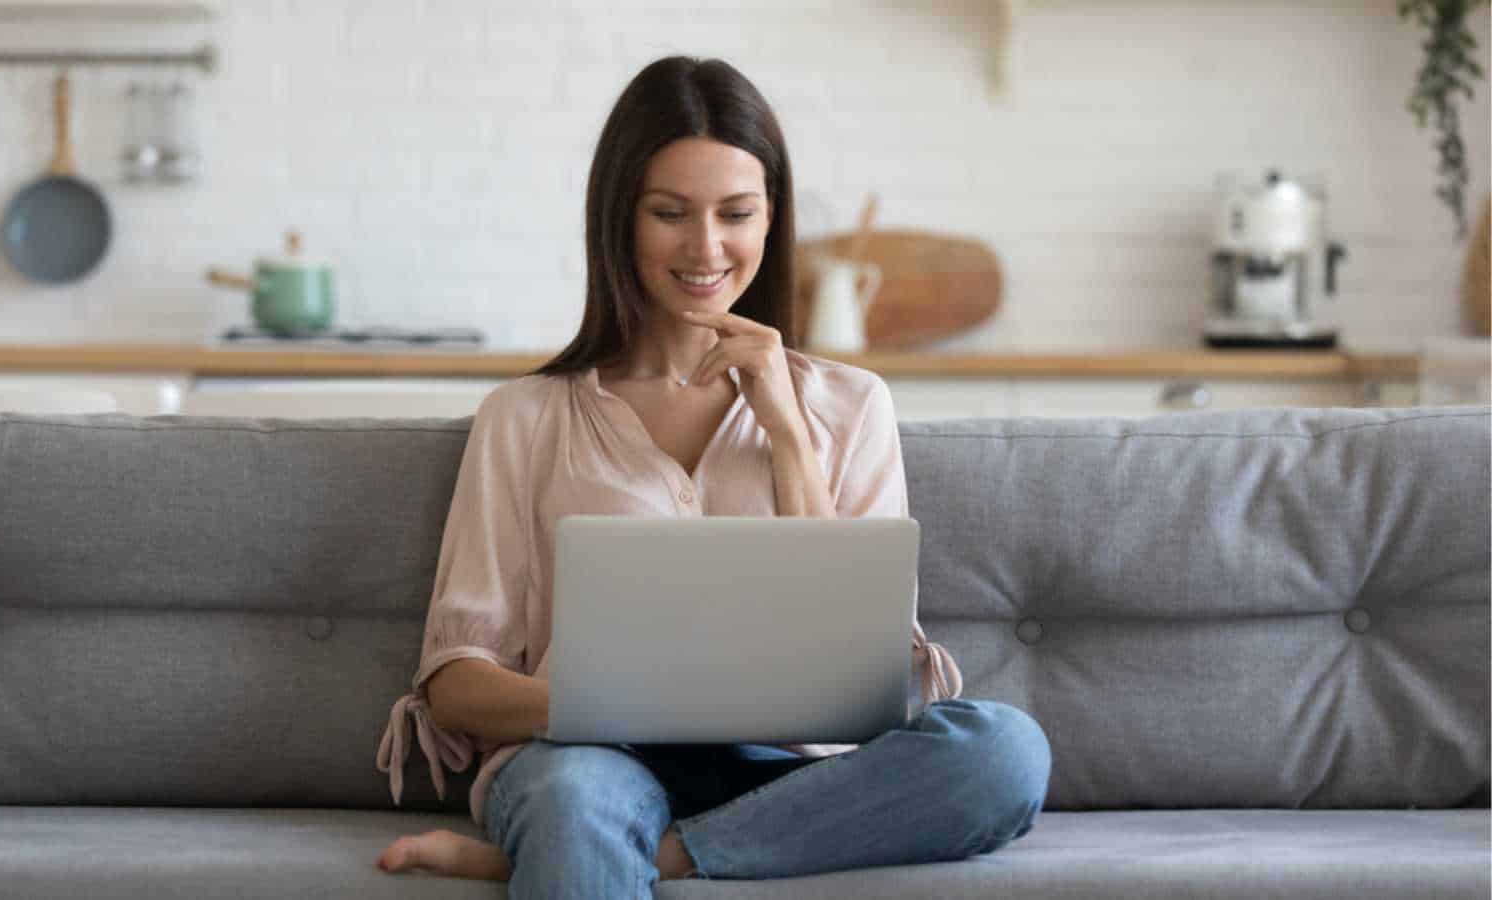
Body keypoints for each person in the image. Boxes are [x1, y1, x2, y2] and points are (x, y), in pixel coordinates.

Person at [373, 55, 1050, 896]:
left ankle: (639, 858)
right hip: (588, 762)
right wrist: (606, 704)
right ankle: (589, 843)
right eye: (670, 214)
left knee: (1006, 751)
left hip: (792, 773)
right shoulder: (526, 418)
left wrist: (787, 432)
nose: (706, 248)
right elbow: (455, 686)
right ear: (620, 220)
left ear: (772, 220)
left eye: (736, 213)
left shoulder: (852, 403)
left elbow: (858, 668)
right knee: (577, 801)